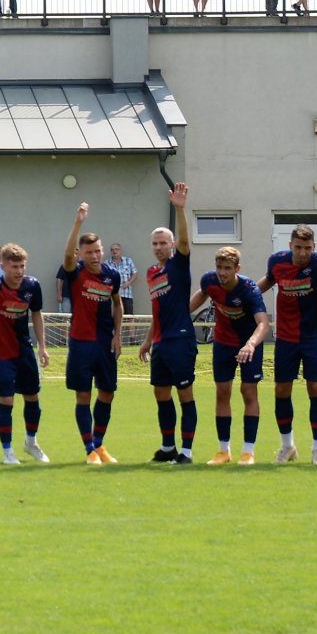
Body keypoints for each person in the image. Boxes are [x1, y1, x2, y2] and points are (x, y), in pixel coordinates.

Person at [259, 212, 317, 463]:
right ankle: (288, 447)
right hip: (286, 337)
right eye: (298, 247)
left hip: (314, 336)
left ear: (313, 247)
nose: (303, 252)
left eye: (307, 248)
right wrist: (241, 296)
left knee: (315, 387)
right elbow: (266, 282)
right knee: (281, 389)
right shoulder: (277, 261)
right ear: (290, 246)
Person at [189, 246, 270, 464]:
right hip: (223, 343)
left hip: (249, 344)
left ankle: (248, 451)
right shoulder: (209, 280)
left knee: (248, 392)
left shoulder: (249, 290)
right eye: (219, 267)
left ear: (237, 268)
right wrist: (182, 313)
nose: (222, 272)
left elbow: (263, 323)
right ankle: (223, 451)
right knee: (222, 393)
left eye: (227, 268)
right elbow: (202, 293)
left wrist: (250, 344)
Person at [58, 203, 125, 464]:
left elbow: (117, 304)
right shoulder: (75, 272)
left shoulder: (112, 276)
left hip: (105, 343)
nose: (95, 256)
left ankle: (99, 444)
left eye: (98, 250)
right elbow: (67, 255)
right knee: (83, 395)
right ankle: (89, 450)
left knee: (107, 393)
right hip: (81, 343)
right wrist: (78, 222)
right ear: (81, 254)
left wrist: (117, 335)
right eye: (89, 252)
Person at [137, 184, 197, 463]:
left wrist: (180, 209)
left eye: (163, 243)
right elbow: (158, 311)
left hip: (180, 340)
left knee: (185, 395)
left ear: (172, 245)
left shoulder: (179, 264)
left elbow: (185, 240)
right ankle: (168, 447)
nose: (159, 247)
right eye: (155, 243)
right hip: (160, 343)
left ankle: (187, 451)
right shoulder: (151, 272)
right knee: (161, 394)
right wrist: (148, 340)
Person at [0, 241, 50, 464]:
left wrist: (42, 346)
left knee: (33, 397)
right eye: (14, 266)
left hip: (24, 350)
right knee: (7, 401)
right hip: (1, 352)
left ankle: (31, 442)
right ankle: (7, 451)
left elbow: (36, 314)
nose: (19, 271)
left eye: (22, 266)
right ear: (3, 266)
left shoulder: (32, 286)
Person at [107, 242, 137, 315]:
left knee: (129, 316)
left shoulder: (128, 261)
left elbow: (135, 273)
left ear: (121, 250)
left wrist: (129, 282)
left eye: (116, 249)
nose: (114, 251)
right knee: (114, 316)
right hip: (112, 295)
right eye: (112, 250)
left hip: (126, 294)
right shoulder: (106, 264)